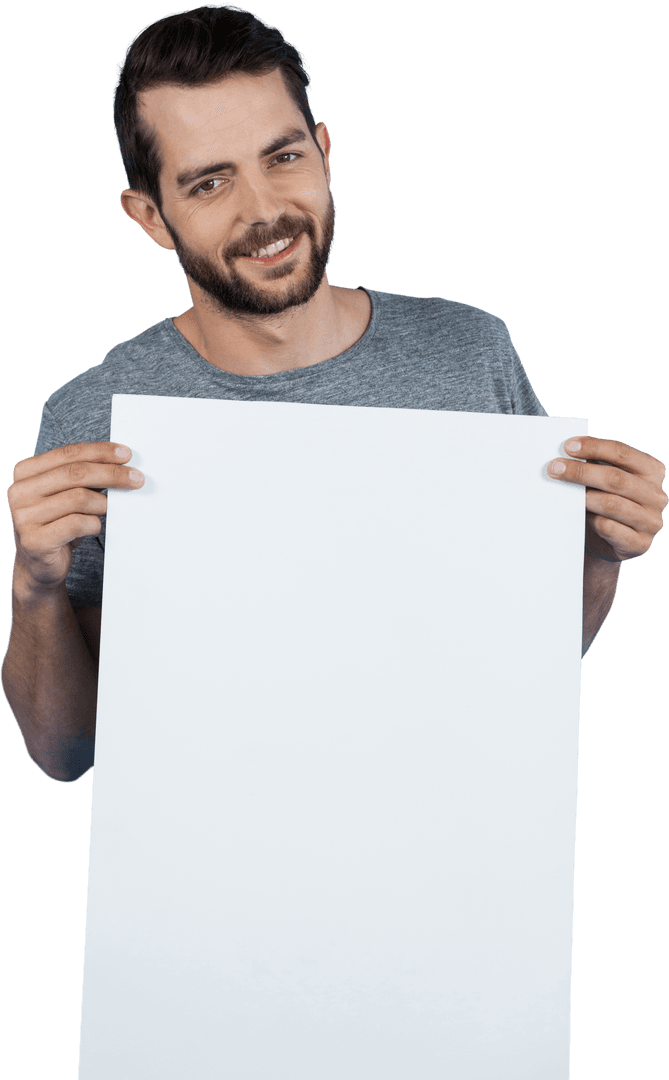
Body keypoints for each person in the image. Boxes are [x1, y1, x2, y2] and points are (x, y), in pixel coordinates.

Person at [2, 4, 666, 784]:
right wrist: (34, 589)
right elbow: (64, 754)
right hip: (200, 883)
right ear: (151, 217)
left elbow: (519, 676)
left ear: (323, 153)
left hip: (450, 865)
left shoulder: (469, 353)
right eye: (210, 182)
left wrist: (595, 554)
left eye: (280, 158)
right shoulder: (96, 412)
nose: (263, 212)